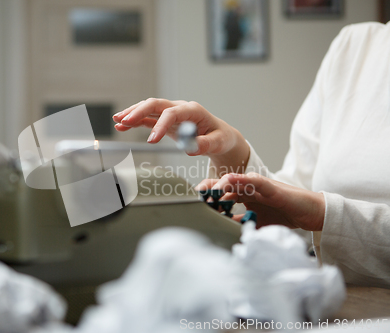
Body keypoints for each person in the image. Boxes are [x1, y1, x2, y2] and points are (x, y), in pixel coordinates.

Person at [112, 22, 390, 288]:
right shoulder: (354, 46)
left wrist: (324, 214)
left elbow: (315, 212)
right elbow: (297, 207)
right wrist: (232, 151)